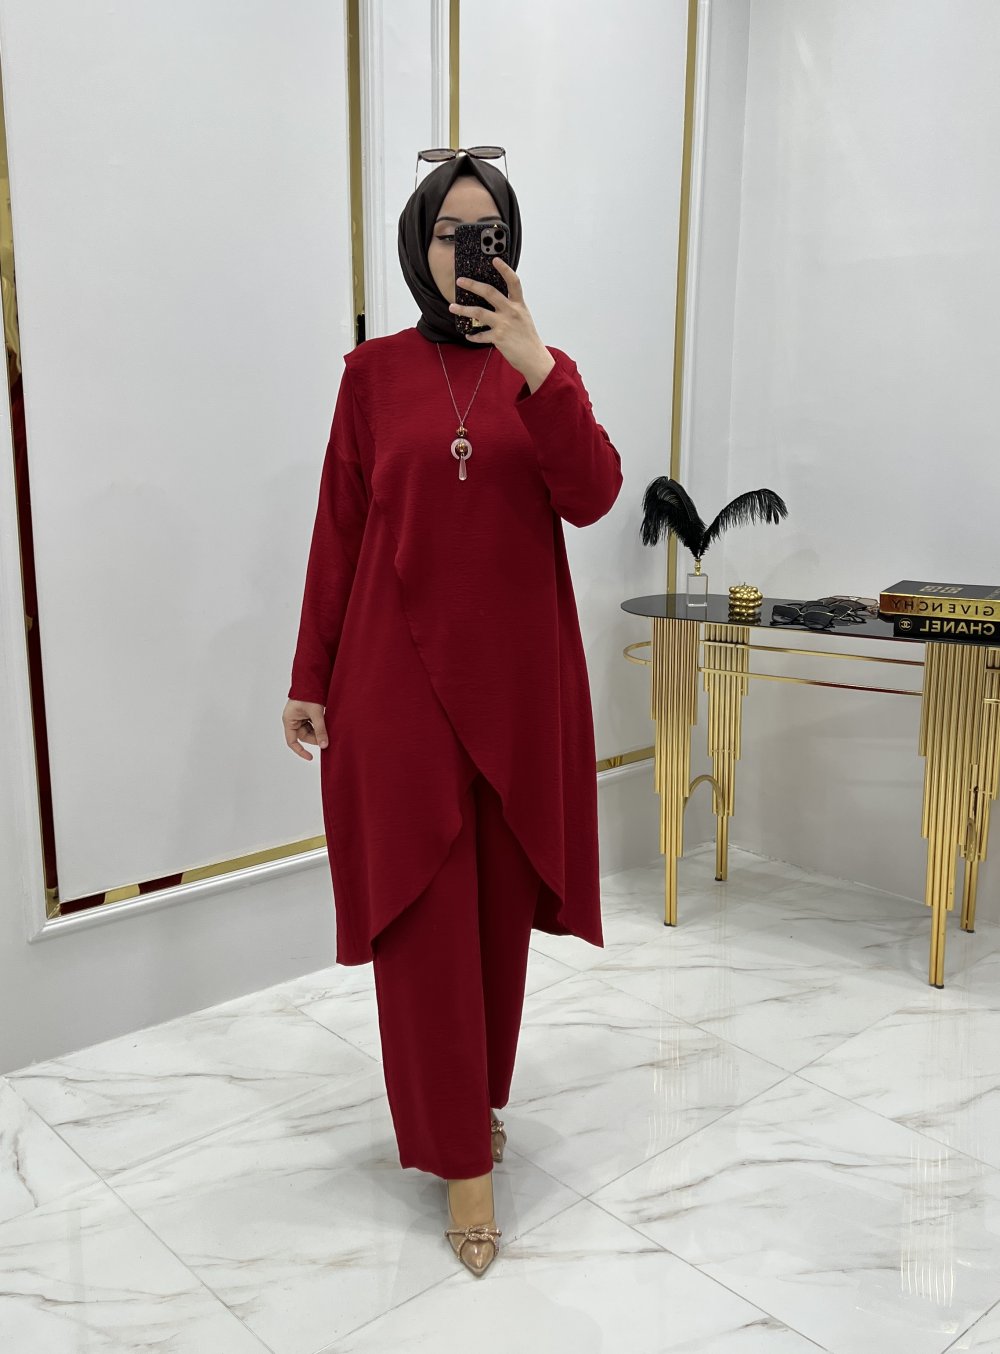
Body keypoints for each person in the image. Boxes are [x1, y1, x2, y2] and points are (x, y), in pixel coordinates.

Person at [281, 149, 622, 1277]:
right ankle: (461, 1167)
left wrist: (537, 365)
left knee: (495, 919)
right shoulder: (371, 375)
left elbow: (592, 494)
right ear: (417, 243)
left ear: (510, 246)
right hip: (395, 686)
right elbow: (339, 527)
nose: (465, 250)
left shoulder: (544, 370)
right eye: (446, 231)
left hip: (517, 689)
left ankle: (473, 1102)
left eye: (487, 232)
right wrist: (310, 674)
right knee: (423, 922)